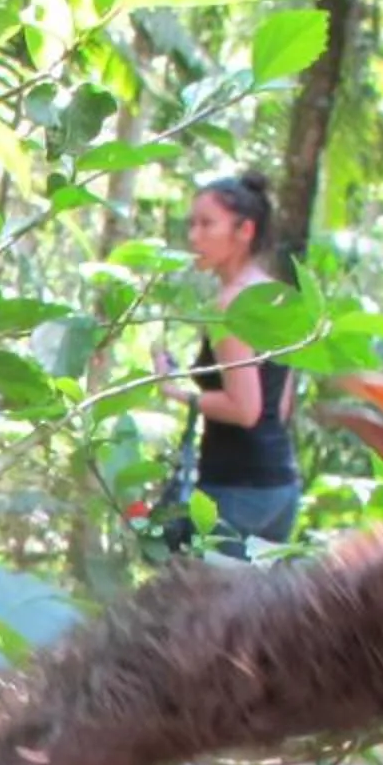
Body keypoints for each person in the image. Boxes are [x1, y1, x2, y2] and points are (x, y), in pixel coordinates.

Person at [158, 168, 301, 558]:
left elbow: (245, 409)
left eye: (207, 225)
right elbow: (281, 404)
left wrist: (173, 391)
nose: (194, 237)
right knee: (256, 616)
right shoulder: (278, 296)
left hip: (234, 490)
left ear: (245, 231)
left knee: (205, 617)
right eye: (192, 225)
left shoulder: (230, 305)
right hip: (280, 485)